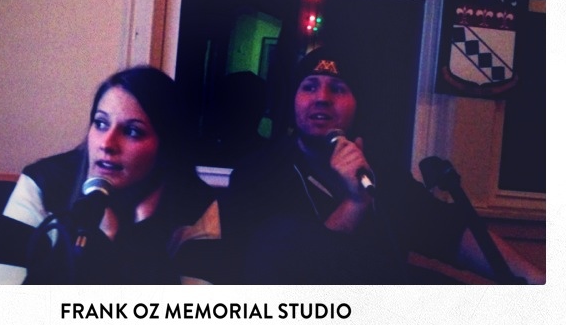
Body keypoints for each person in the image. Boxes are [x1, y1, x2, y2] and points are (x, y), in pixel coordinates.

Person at [220, 46, 545, 284]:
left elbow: (449, 233)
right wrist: (355, 202)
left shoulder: (382, 173)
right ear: (292, 102)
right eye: (309, 87)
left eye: (337, 89)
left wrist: (536, 280)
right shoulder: (257, 174)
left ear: (358, 106)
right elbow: (293, 280)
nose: (322, 97)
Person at [0, 66, 220, 284]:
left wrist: (143, 234)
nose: (106, 144)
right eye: (101, 123)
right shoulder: (44, 183)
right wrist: (94, 238)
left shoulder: (194, 202)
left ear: (166, 146)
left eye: (133, 131)